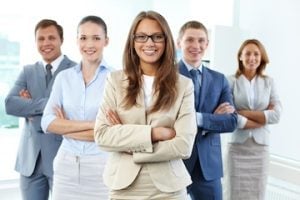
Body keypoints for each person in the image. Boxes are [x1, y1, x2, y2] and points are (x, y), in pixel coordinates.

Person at [94, 11, 197, 200]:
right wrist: (156, 134)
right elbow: (102, 135)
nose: (149, 43)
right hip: (123, 187)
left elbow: (183, 145)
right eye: (141, 36)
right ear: (132, 42)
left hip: (169, 190)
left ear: (166, 42)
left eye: (157, 37)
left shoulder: (183, 85)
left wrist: (131, 145)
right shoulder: (115, 80)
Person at [41, 15, 111, 200]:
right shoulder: (64, 78)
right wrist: (94, 124)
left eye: (96, 38)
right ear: (77, 41)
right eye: (83, 38)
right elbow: (47, 122)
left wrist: (65, 127)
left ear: (106, 41)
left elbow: (114, 132)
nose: (89, 44)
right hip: (66, 166)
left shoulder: (116, 79)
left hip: (102, 167)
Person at [4, 19, 76, 200]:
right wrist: (51, 104)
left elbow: (73, 110)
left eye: (51, 38)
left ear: (61, 40)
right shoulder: (27, 71)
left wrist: (29, 108)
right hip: (30, 162)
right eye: (41, 39)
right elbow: (10, 104)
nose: (46, 43)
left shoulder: (75, 71)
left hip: (62, 158)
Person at [177, 20, 238, 200]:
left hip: (208, 167)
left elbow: (231, 121)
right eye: (190, 40)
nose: (196, 45)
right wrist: (212, 118)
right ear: (179, 42)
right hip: (175, 163)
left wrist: (197, 119)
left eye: (201, 40)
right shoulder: (167, 76)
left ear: (207, 44)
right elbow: (167, 119)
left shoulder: (219, 79)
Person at [227, 39, 282, 200]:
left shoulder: (269, 82)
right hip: (237, 148)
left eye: (256, 54)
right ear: (240, 57)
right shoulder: (230, 81)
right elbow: (230, 116)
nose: (252, 58)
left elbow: (277, 115)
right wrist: (263, 116)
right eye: (248, 53)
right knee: (233, 193)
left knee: (258, 194)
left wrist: (242, 111)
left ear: (262, 57)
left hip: (260, 149)